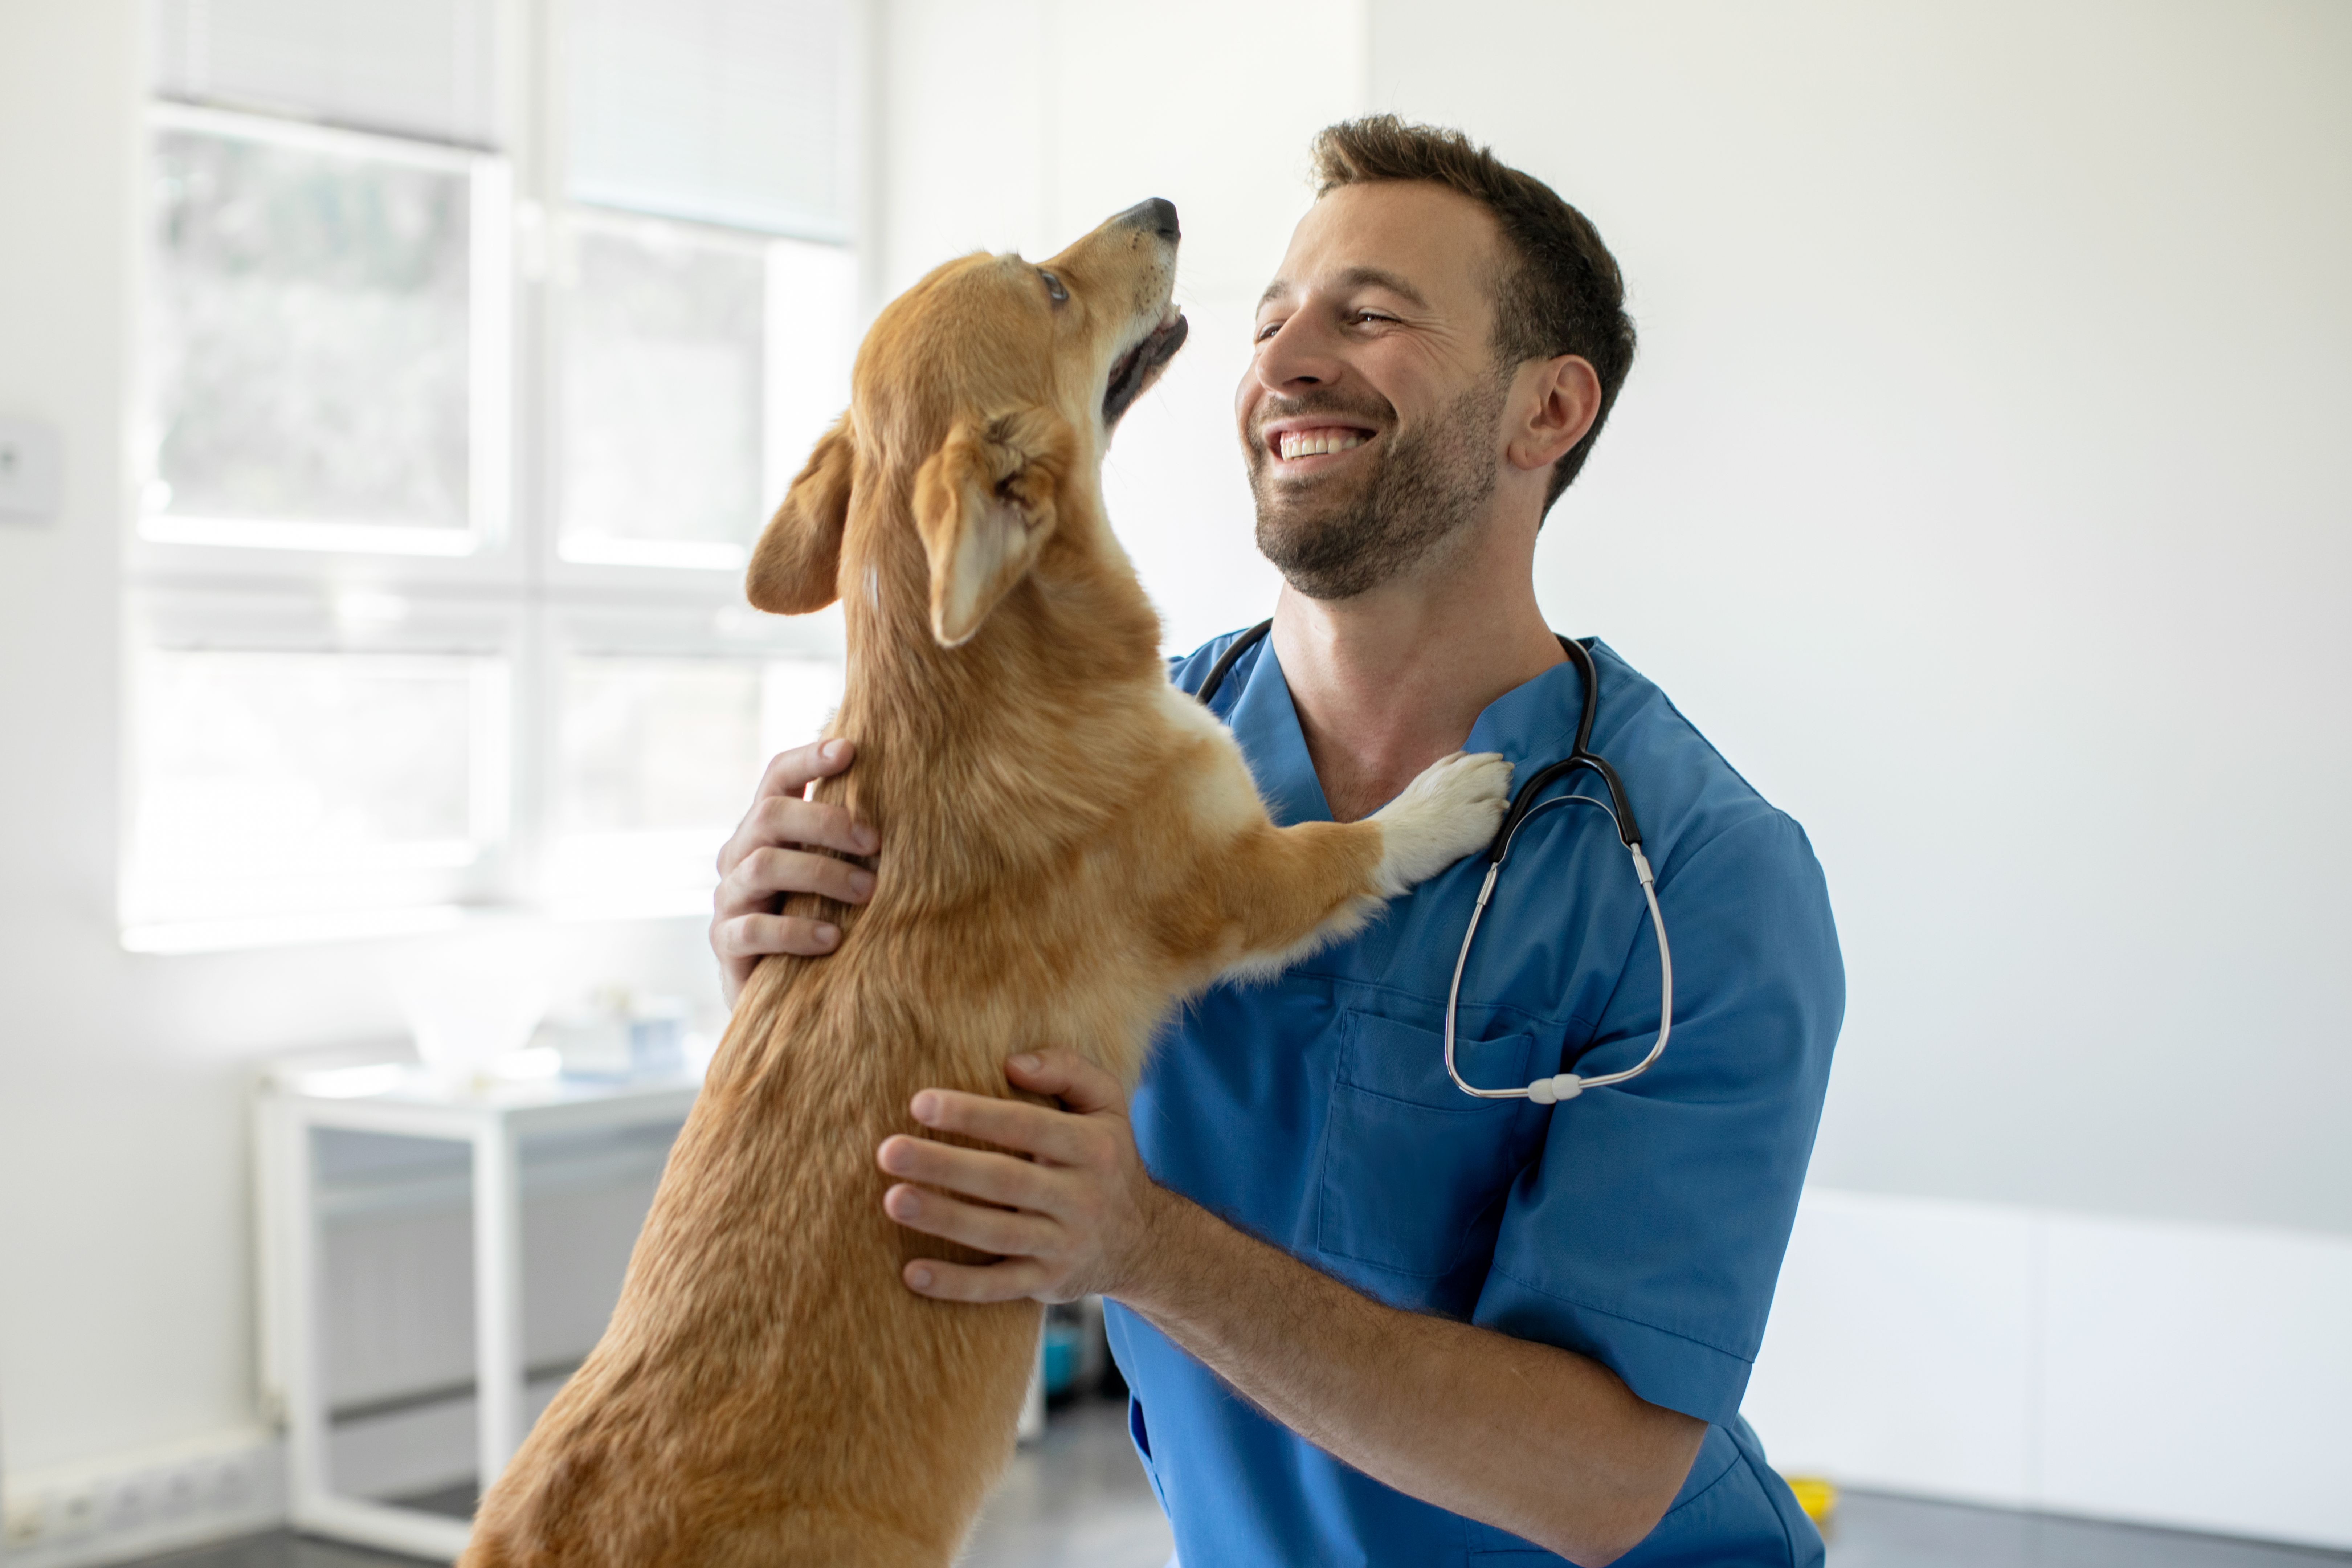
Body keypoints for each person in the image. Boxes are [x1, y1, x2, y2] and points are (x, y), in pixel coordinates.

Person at [709, 116, 1843, 1568]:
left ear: (1545, 413)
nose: (1284, 362)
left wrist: (1143, 1247)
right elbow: (915, 1164)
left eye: (1369, 317)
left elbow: (1604, 1478)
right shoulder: (1082, 784)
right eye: (1270, 322)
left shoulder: (1699, 876)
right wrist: (789, 963)